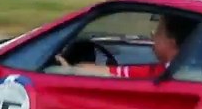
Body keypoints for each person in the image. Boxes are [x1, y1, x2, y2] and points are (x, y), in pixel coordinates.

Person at [57, 13, 192, 78]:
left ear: (172, 43)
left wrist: (66, 71)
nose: (152, 34)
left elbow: (110, 74)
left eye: (158, 32)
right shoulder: (190, 69)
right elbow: (113, 72)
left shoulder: (162, 75)